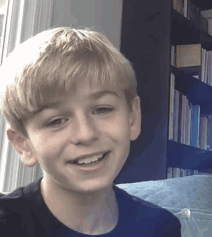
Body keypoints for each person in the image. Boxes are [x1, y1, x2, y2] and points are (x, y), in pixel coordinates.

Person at [0, 26, 181, 236]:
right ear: (23, 144)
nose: (86, 134)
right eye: (56, 121)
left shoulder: (161, 227)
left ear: (133, 117)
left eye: (102, 109)